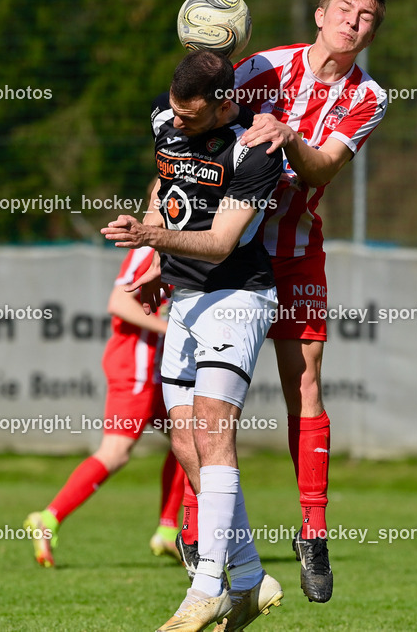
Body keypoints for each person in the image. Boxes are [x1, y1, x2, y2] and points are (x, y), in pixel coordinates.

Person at [176, 0, 388, 604]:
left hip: (295, 254)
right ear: (320, 14)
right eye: (344, 9)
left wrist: (290, 136)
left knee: (306, 385)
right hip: (226, 251)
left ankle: (313, 533)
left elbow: (324, 165)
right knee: (195, 398)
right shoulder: (261, 66)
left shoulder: (368, 96)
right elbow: (201, 121)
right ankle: (193, 522)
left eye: (368, 16)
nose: (354, 21)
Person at [102, 50, 283, 631]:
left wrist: (151, 235)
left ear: (224, 102)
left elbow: (223, 241)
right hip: (183, 297)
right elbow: (165, 182)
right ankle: (251, 578)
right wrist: (156, 252)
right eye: (173, 111)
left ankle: (207, 586)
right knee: (185, 444)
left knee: (211, 429)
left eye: (189, 115)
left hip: (236, 296)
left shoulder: (256, 150)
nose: (175, 122)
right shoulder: (166, 116)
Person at [24, 245, 185, 567]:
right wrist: (173, 330)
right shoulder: (148, 249)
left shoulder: (176, 244)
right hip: (137, 369)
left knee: (192, 440)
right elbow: (119, 301)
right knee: (115, 452)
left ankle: (168, 532)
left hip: (157, 371)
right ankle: (48, 518)